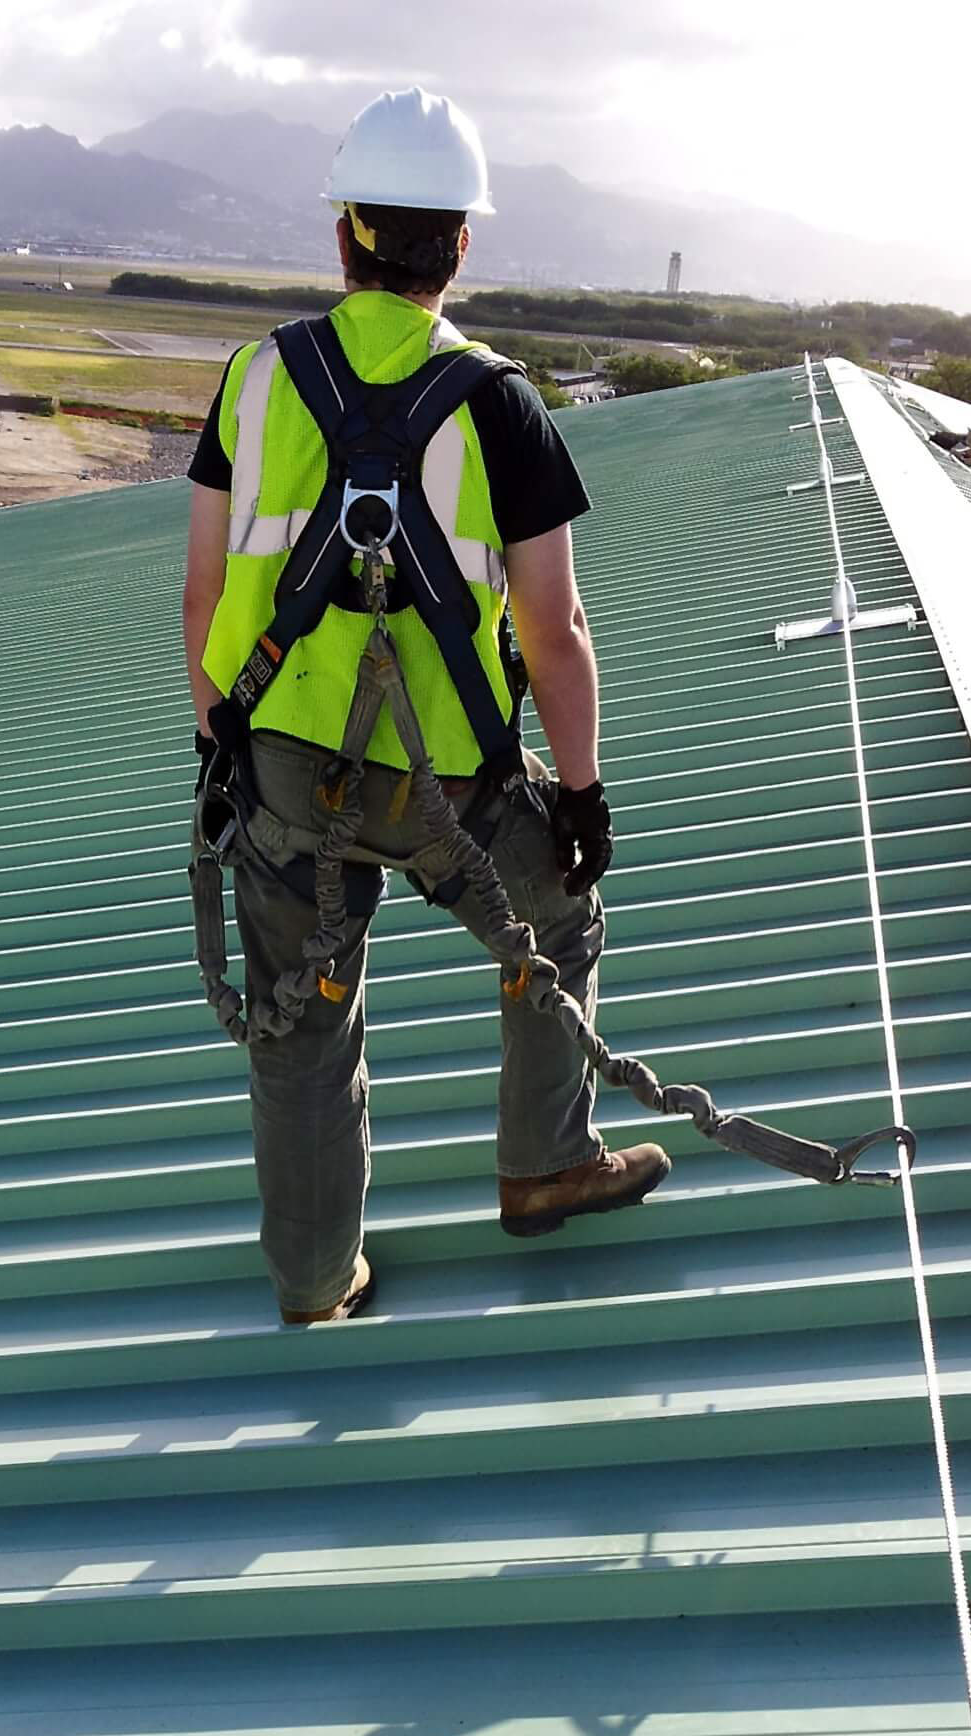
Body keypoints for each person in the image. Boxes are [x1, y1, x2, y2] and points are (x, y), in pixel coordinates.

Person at [181, 87, 668, 1327]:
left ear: (342, 234)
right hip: (460, 780)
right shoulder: (502, 401)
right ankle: (546, 1163)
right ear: (460, 245)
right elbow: (553, 629)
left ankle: (314, 1279)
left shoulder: (253, 379)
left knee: (302, 1028)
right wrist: (585, 793)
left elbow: (199, 598)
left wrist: (222, 753)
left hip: (288, 767)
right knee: (557, 921)